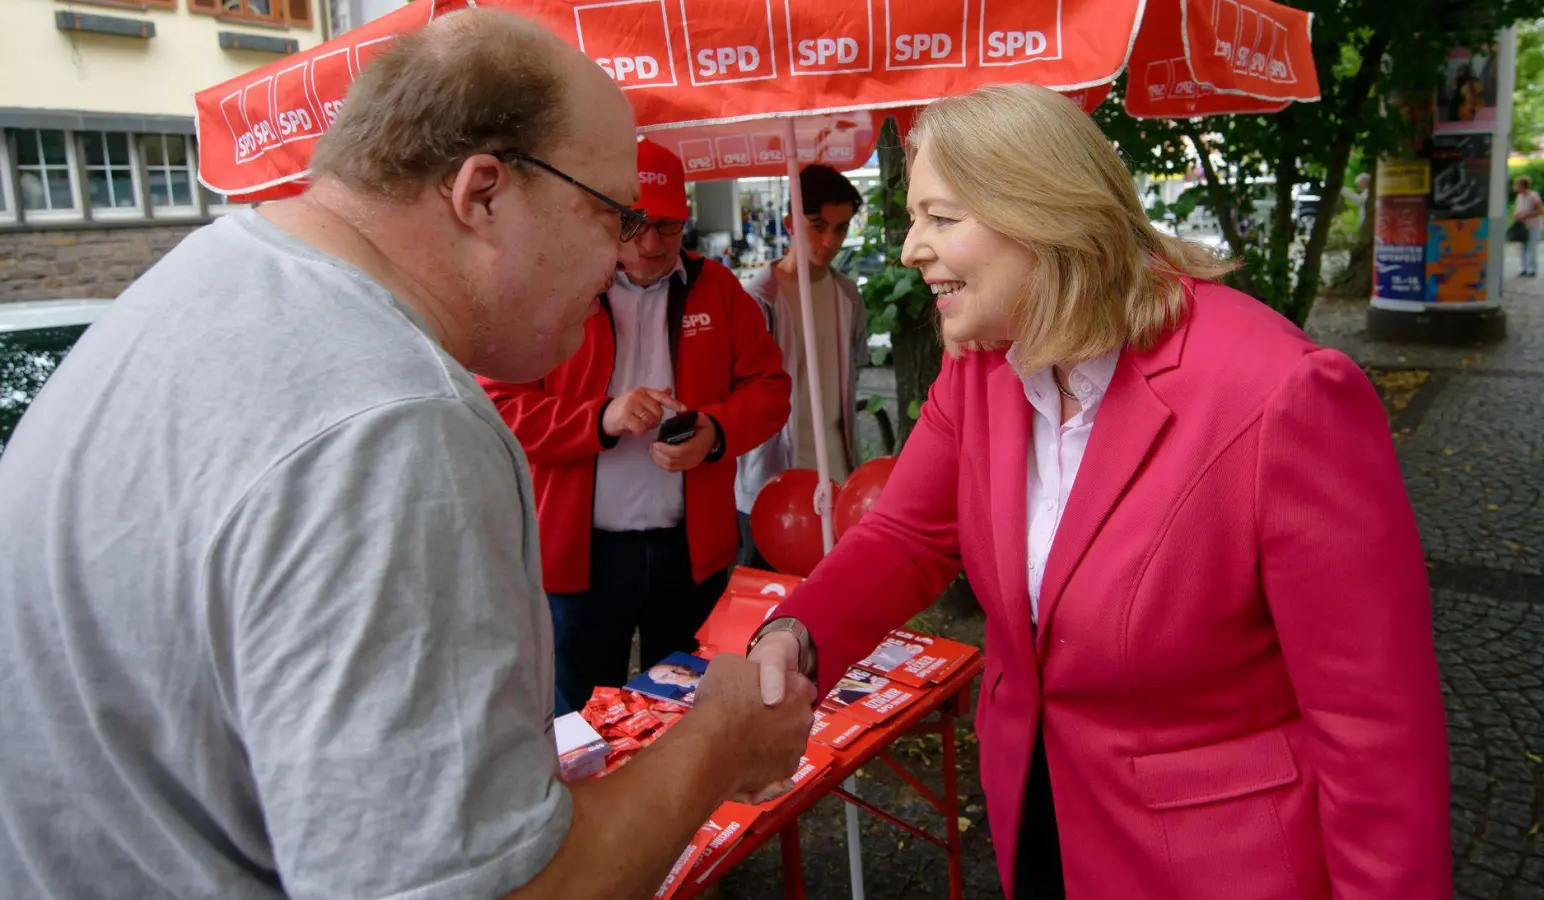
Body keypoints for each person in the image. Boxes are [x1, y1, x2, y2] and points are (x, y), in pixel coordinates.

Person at [0, 12, 814, 900]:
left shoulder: (204, 284)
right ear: (482, 193)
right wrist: (718, 742)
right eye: (610, 214)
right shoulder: (395, 421)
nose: (620, 258)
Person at [748, 84, 1451, 900]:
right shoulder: (984, 365)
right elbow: (907, 535)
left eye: (939, 219)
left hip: (1219, 863)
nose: (910, 249)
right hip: (1037, 817)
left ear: (1043, 215)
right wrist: (797, 633)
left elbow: (1374, 725)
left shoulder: (1281, 392)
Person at [480, 138, 790, 716]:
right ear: (609, 213)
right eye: (635, 223)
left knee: (690, 708)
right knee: (579, 716)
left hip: (690, 550)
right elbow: (499, 406)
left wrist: (715, 432)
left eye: (668, 227)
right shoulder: (554, 289)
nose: (651, 244)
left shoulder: (718, 290)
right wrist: (601, 418)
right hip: (583, 555)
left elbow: (771, 391)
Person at [735, 163, 868, 570]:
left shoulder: (848, 297)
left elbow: (852, 379)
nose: (831, 239)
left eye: (841, 228)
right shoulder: (757, 299)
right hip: (770, 481)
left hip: (837, 473)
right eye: (818, 224)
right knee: (767, 603)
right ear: (791, 220)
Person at [1513, 175, 1540, 277]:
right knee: (1522, 248)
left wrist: (1526, 214)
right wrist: (1516, 215)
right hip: (1522, 226)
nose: (1515, 187)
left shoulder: (1533, 196)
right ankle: (1524, 268)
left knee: (1531, 247)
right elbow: (1517, 209)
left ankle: (1532, 269)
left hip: (1532, 225)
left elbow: (1539, 210)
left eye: (1517, 185)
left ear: (1523, 186)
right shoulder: (1519, 197)